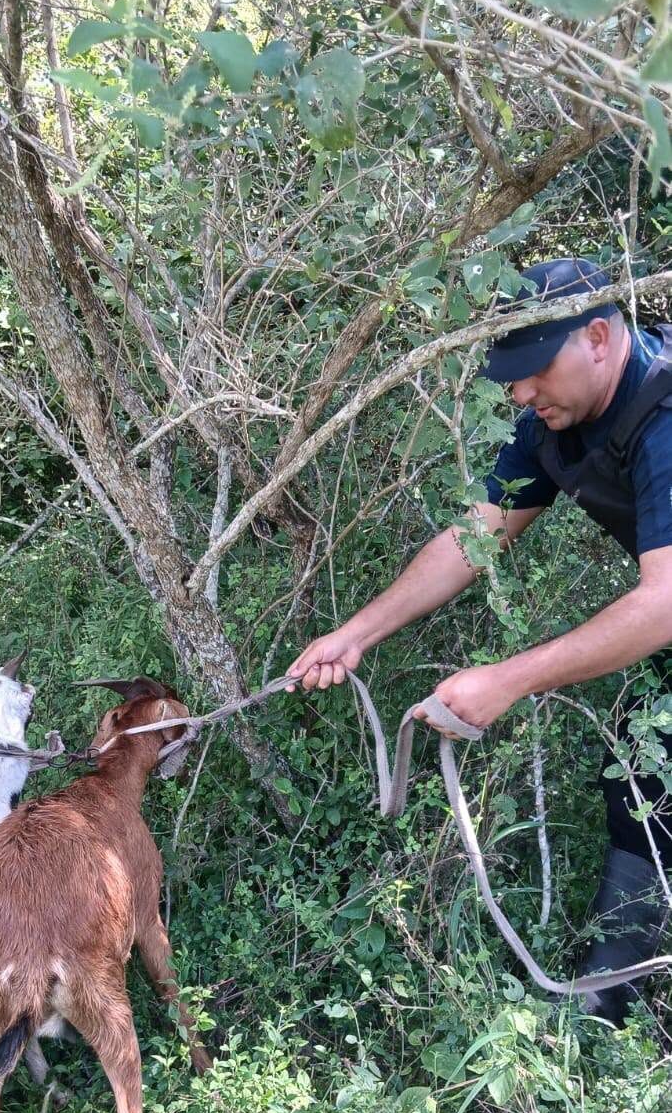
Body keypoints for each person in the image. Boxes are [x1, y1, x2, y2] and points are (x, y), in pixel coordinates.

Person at [287, 258, 672, 1022]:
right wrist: (355, 633)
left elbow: (665, 604)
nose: (519, 392)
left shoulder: (665, 418)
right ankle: (612, 994)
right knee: (641, 777)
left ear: (598, 337)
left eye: (532, 370)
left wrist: (511, 677)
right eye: (509, 376)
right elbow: (472, 540)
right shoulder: (551, 428)